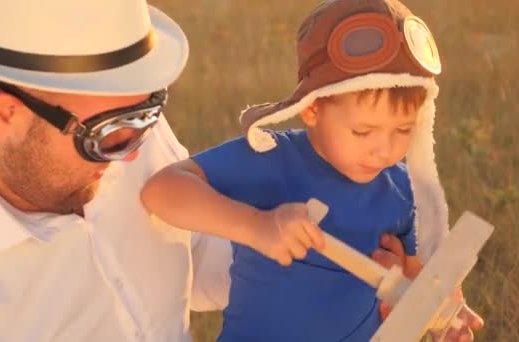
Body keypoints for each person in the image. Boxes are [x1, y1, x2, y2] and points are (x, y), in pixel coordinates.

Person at [0, 0, 480, 341]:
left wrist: (372, 276)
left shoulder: (113, 127)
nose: (136, 154)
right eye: (111, 134)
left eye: (148, 112)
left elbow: (208, 261)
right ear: (3, 115)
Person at [141, 0, 484, 341]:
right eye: (363, 131)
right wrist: (257, 227)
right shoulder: (271, 159)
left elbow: (422, 282)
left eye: (404, 130)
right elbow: (162, 191)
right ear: (312, 108)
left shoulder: (403, 191)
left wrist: (443, 314)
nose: (385, 150)